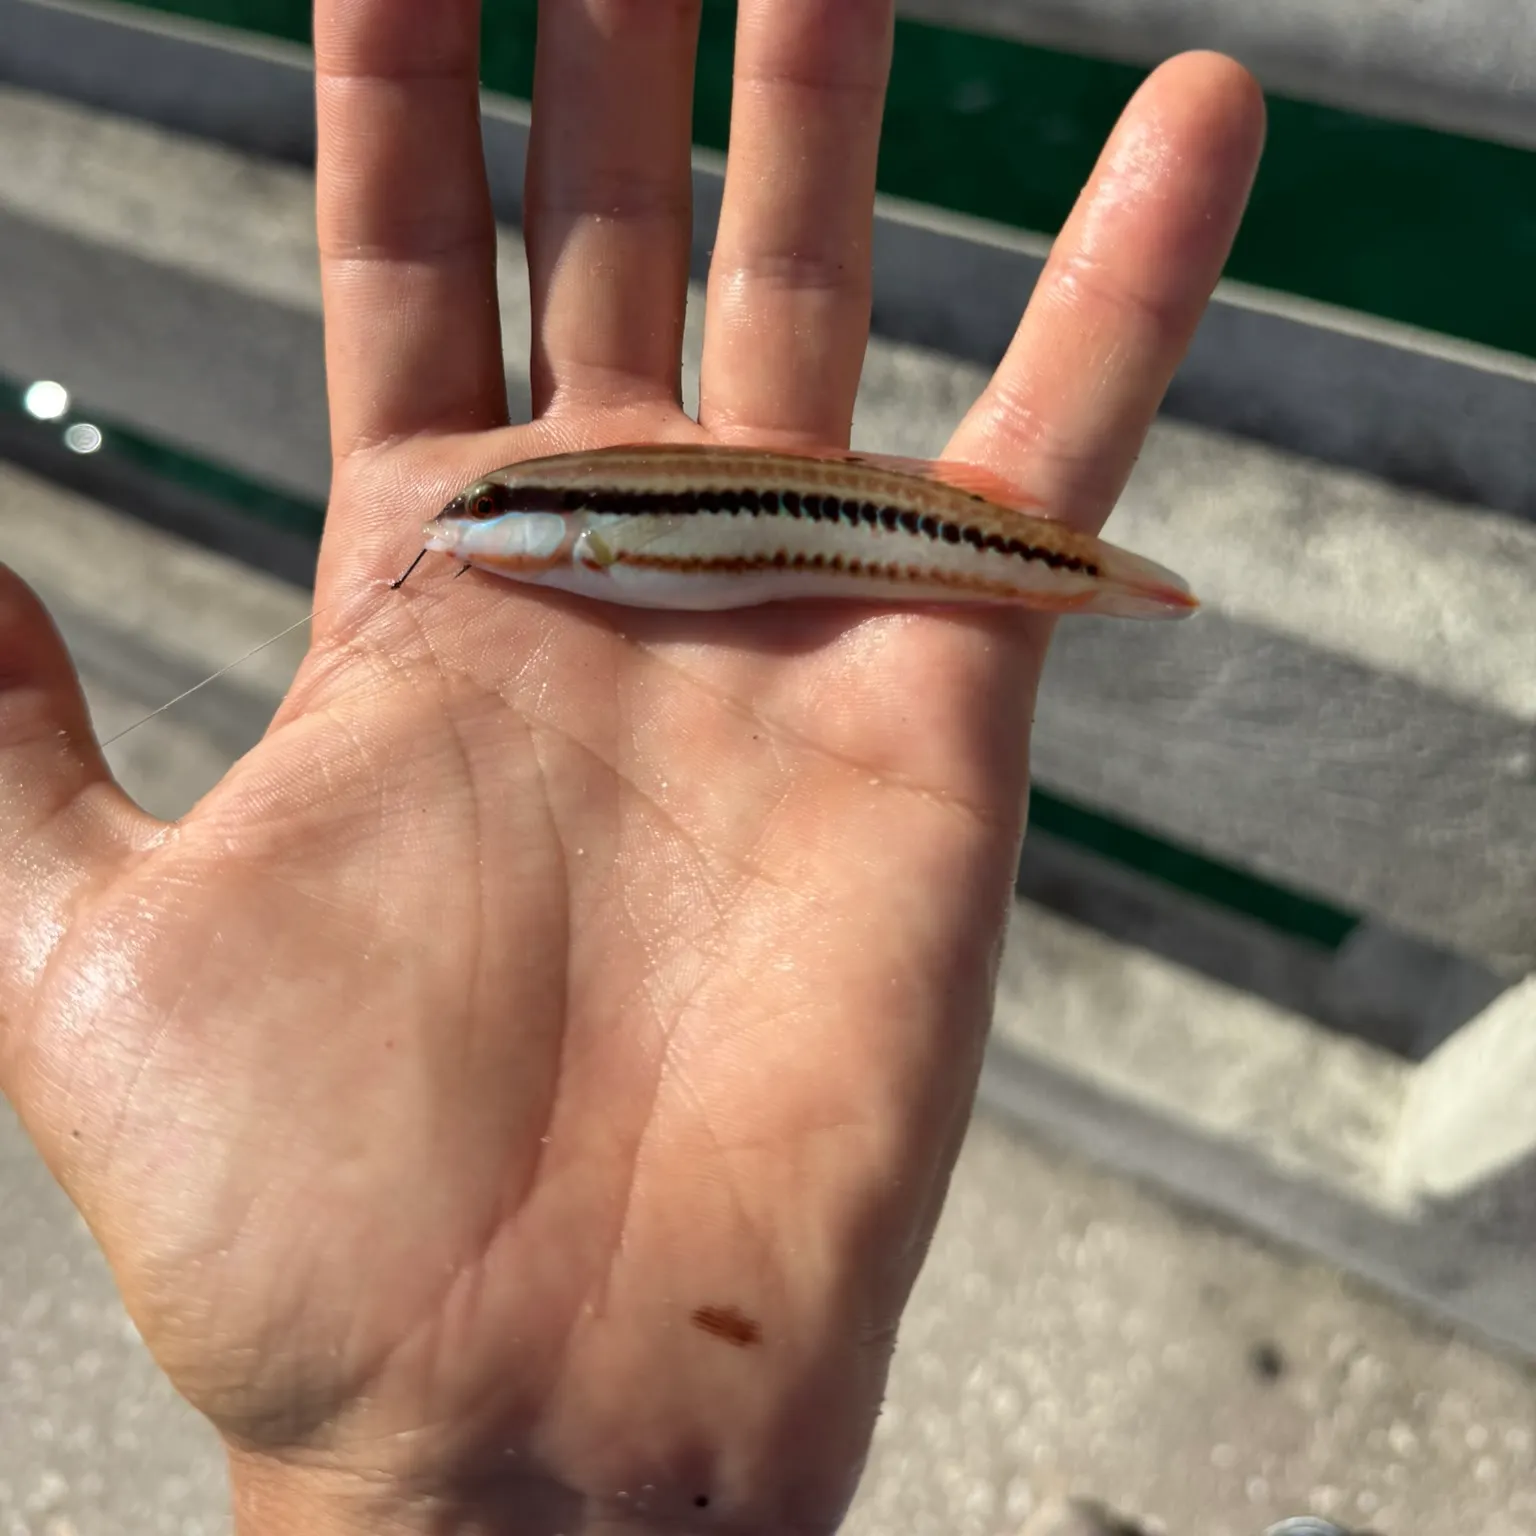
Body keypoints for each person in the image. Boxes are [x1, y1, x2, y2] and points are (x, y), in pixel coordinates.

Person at [0, 2, 1265, 1531]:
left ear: (546, 521)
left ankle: (1088, 571)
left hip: (871, 522)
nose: (457, 538)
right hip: (826, 522)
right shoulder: (563, 539)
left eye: (484, 516)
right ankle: (1083, 571)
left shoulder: (573, 531)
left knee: (971, 544)